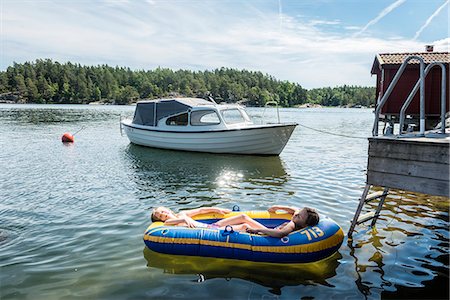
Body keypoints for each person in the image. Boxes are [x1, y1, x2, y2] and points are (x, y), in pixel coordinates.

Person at [151, 205, 319, 237]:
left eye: (163, 211)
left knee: (244, 217)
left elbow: (201, 210)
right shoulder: (173, 220)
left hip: (209, 225)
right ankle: (260, 234)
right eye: (159, 215)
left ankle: (260, 232)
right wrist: (180, 219)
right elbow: (167, 225)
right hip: (207, 231)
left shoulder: (182, 212)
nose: (163, 214)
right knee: (245, 225)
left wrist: (217, 210)